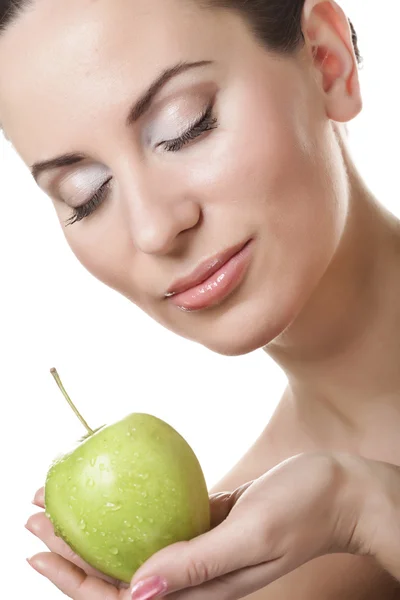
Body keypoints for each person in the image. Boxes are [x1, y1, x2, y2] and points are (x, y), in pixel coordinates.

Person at [1, 0, 399, 598]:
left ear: (327, 61)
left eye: (185, 127)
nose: (154, 229)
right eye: (85, 194)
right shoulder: (242, 564)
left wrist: (373, 511)